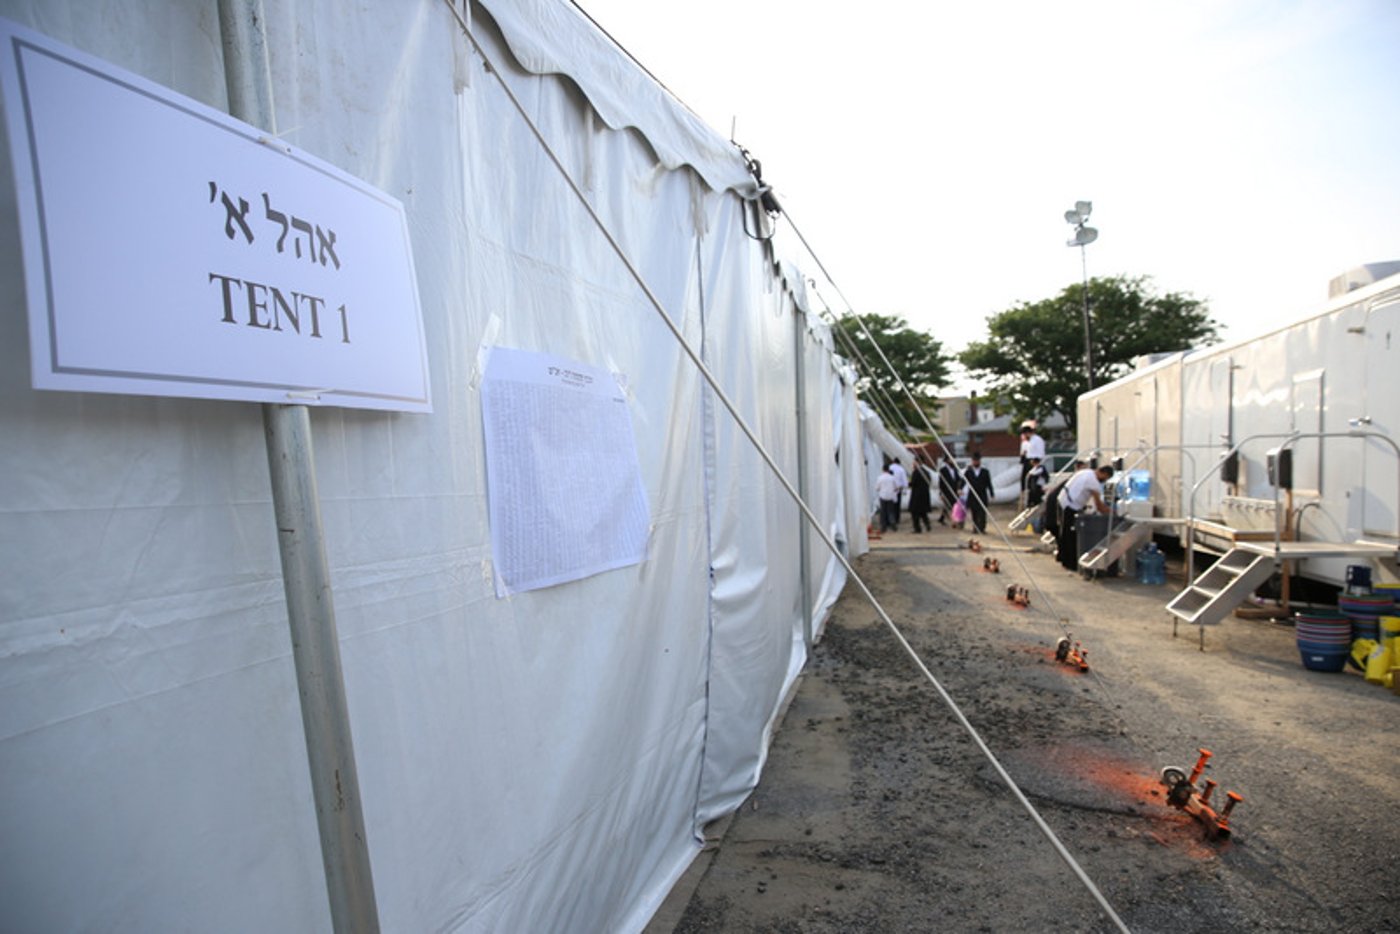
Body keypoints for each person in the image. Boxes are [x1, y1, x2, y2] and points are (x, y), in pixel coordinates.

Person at [1057, 464, 1114, 571]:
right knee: (1070, 535)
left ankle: (1063, 558)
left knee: (1064, 532)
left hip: (1063, 500)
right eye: (1105, 478)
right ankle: (1070, 563)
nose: (1104, 481)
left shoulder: (1086, 472)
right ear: (1103, 473)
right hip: (1071, 505)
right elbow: (1099, 506)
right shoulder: (1093, 482)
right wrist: (1113, 512)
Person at [962, 452, 994, 534]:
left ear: (979, 461)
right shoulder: (968, 472)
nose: (975, 462)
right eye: (974, 460)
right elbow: (963, 481)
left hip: (982, 494)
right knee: (974, 512)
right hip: (973, 495)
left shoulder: (985, 472)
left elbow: (989, 483)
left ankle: (982, 528)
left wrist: (992, 493)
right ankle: (975, 528)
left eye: (977, 460)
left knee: (982, 512)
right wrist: (959, 489)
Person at [1019, 423, 1046, 502]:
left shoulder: (1037, 440)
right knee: (1025, 481)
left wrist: (1037, 463)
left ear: (1028, 433)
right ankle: (1027, 499)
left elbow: (1041, 453)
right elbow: (1025, 453)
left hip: (1035, 461)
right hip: (1028, 461)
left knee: (1033, 483)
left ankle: (1035, 500)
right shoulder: (1027, 442)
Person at [907, 458, 933, 533]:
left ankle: (917, 528)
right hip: (925, 495)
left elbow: (913, 483)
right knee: (922, 512)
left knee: (914, 512)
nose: (913, 464)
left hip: (917, 495)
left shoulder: (916, 472)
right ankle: (927, 524)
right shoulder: (926, 472)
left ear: (917, 462)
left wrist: (908, 483)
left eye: (914, 462)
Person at [937, 454, 962, 525]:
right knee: (950, 505)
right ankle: (954, 520)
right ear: (947, 460)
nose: (953, 461)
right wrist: (941, 493)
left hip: (954, 490)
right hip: (946, 491)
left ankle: (942, 518)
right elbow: (941, 482)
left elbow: (958, 479)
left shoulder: (955, 469)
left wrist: (959, 487)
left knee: (951, 505)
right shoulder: (943, 470)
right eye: (951, 459)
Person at [875, 463, 900, 533]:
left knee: (883, 512)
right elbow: (896, 487)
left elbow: (877, 488)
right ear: (888, 469)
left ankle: (883, 526)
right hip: (890, 496)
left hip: (882, 496)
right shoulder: (892, 478)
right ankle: (893, 524)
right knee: (890, 511)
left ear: (883, 469)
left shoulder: (880, 478)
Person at [888, 459, 908, 529]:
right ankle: (896, 519)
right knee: (897, 505)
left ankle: (890, 519)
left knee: (890, 505)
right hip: (898, 489)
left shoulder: (889, 467)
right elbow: (904, 480)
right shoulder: (901, 469)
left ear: (893, 462)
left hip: (890, 489)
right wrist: (905, 490)